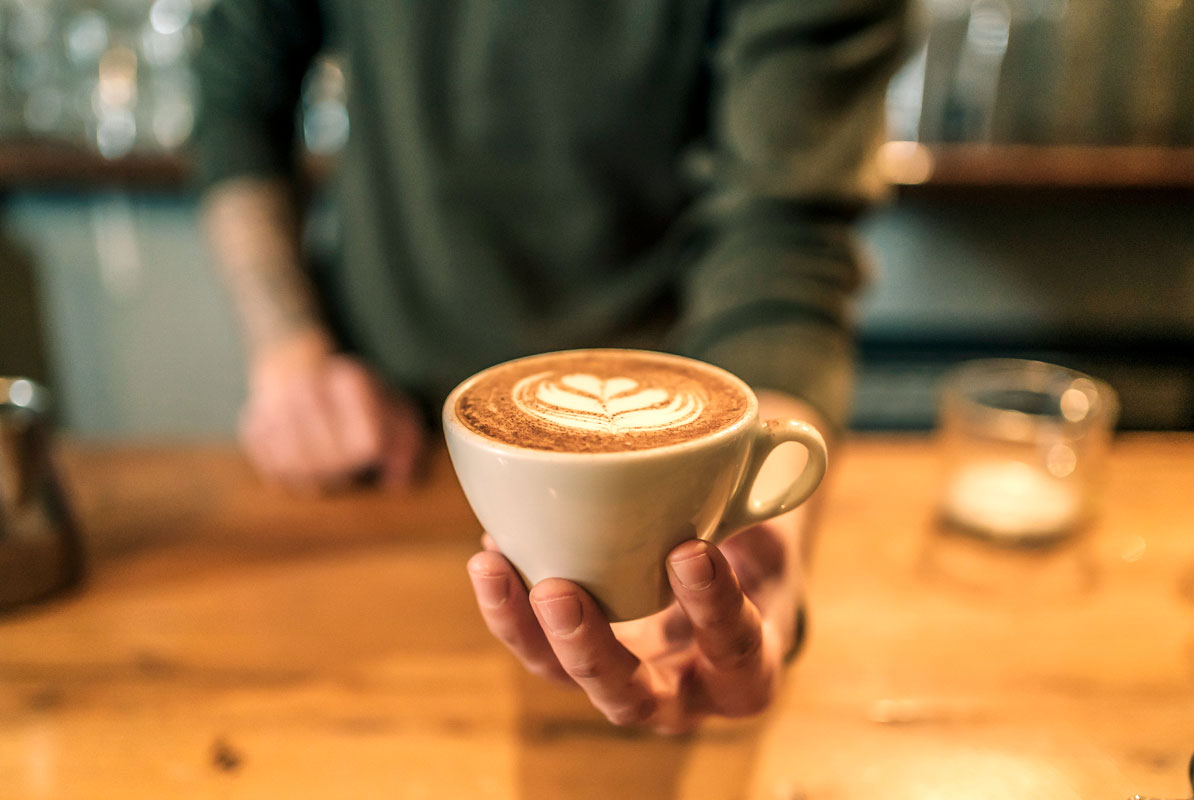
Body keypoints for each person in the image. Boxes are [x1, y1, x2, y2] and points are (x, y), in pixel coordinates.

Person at [192, 0, 910, 734]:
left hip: (663, 487)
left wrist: (758, 526)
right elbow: (238, 79)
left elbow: (786, 221)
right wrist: (289, 347)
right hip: (376, 443)